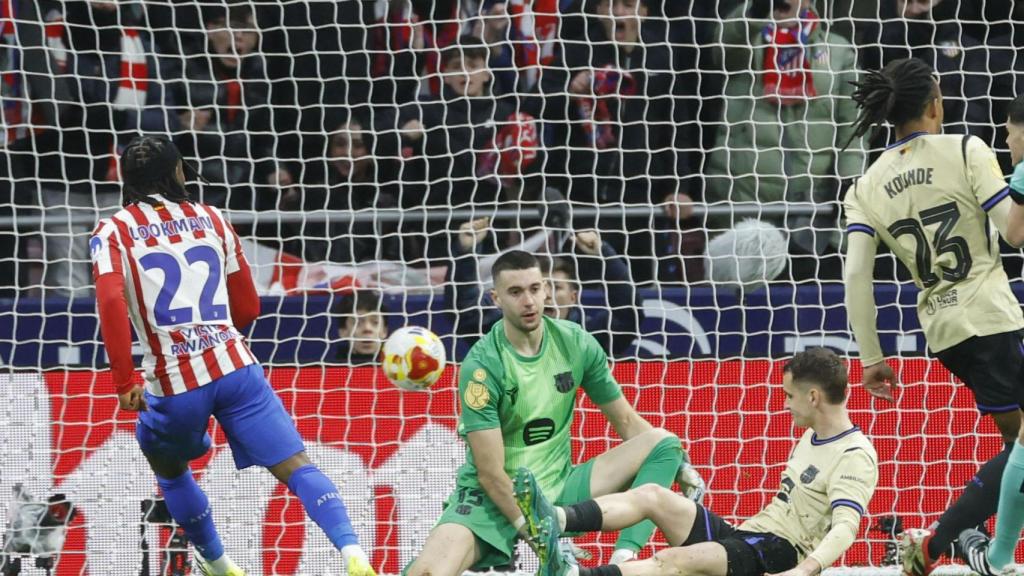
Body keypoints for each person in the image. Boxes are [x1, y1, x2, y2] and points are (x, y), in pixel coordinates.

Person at [90, 136, 376, 576]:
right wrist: (214, 340)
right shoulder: (212, 217)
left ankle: (221, 564)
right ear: (178, 172)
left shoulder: (111, 231)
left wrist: (124, 381)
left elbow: (110, 302)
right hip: (236, 367)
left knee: (169, 467)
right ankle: (352, 552)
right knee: (297, 467)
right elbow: (249, 309)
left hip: (175, 383)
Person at [407, 250, 704, 576]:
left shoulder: (575, 342)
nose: (529, 301)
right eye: (515, 292)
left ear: (546, 288)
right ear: (496, 298)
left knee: (663, 442)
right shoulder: (482, 366)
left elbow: (627, 421)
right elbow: (491, 474)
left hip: (559, 490)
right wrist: (539, 537)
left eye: (534, 289)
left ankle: (623, 560)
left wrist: (679, 462)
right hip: (492, 500)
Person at [842, 59, 1024, 576]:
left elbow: (857, 276)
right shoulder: (966, 148)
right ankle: (941, 545)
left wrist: (872, 358)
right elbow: (1013, 232)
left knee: (1021, 444)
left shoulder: (865, 185)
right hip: (990, 315)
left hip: (942, 330)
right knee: (1022, 446)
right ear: (934, 105)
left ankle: (956, 545)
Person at [513, 348, 877, 576]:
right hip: (748, 537)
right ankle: (555, 518)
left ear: (813, 397)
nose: (784, 403)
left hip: (777, 555)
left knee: (673, 562)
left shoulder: (853, 456)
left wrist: (803, 571)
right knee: (653, 494)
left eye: (789, 395)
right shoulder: (810, 434)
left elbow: (846, 528)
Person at [704, 0, 865, 280]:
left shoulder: (838, 50)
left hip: (813, 213)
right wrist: (756, 11)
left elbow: (853, 130)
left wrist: (850, 191)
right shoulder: (746, 40)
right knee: (740, 314)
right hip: (743, 203)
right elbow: (723, 47)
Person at [448, 218, 643, 358]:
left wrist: (605, 255)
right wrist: (465, 253)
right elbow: (466, 312)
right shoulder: (501, 334)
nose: (546, 295)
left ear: (573, 297)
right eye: (536, 288)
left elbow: (628, 314)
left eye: (557, 287)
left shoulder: (587, 339)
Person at [334, 290, 390, 365]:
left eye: (375, 322)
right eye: (358, 323)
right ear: (343, 331)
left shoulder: (396, 370)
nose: (367, 328)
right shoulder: (332, 371)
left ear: (385, 331)